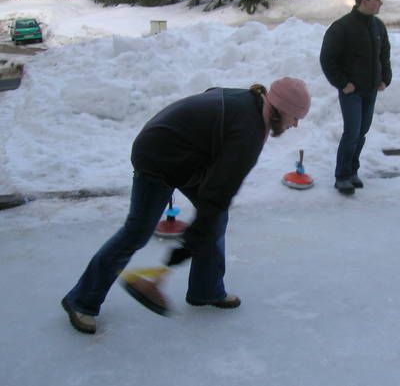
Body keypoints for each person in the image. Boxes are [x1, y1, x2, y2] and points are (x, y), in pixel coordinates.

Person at [61, 77, 311, 334]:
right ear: (282, 110)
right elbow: (219, 192)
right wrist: (191, 240)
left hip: (183, 156)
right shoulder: (249, 130)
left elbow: (210, 101)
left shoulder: (250, 101)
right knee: (137, 232)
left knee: (215, 219)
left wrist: (196, 236)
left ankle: (206, 290)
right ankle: (81, 300)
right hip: (157, 156)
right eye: (295, 117)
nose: (295, 124)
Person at [320, 0, 392, 195]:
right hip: (352, 91)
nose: (380, 3)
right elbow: (327, 59)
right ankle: (341, 176)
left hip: (371, 89)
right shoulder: (342, 27)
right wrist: (343, 83)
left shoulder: (378, 26)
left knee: (362, 132)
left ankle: (352, 171)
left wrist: (385, 78)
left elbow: (384, 55)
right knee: (352, 132)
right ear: (364, 1)